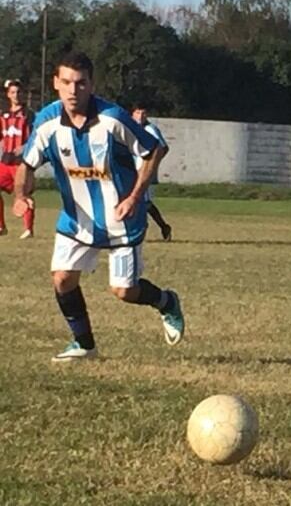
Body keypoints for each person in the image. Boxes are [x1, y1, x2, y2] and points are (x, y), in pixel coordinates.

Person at [13, 52, 185, 362]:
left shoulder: (113, 119)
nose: (72, 90)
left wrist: (134, 198)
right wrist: (20, 195)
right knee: (62, 279)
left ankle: (166, 301)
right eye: (66, 82)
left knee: (124, 292)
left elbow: (153, 150)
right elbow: (27, 164)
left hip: (121, 219)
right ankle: (84, 345)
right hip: (76, 220)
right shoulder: (47, 122)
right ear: (55, 83)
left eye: (80, 83)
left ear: (91, 85)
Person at [131, 103, 172, 241]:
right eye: (138, 113)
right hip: (133, 171)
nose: (141, 116)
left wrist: (152, 165)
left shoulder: (150, 129)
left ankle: (162, 227)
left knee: (144, 202)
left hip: (145, 173)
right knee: (135, 201)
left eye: (143, 113)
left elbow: (164, 148)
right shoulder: (131, 128)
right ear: (132, 114)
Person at [0, 79, 35, 238]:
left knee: (23, 194)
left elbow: (37, 136)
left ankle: (28, 229)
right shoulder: (3, 114)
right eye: (13, 92)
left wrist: (25, 147)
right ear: (8, 94)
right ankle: (1, 226)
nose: (16, 95)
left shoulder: (30, 114)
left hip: (22, 163)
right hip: (5, 161)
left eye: (18, 92)